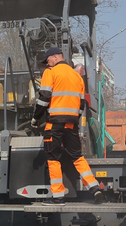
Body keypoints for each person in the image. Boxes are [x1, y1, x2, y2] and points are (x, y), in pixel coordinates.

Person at [31, 47, 104, 205]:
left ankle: (57, 196)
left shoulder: (50, 73)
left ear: (56, 57)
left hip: (54, 124)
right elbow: (82, 104)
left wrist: (36, 118)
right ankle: (94, 188)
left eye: (48, 60)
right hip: (72, 123)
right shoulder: (76, 76)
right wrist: (73, 120)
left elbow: (44, 98)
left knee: (53, 157)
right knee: (77, 157)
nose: (47, 64)